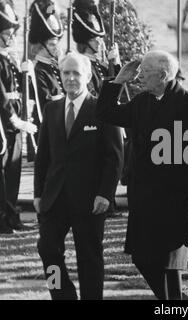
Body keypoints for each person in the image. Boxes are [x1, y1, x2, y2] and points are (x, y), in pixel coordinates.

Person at [96, 50, 188, 300]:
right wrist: (118, 82)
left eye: (145, 72)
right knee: (142, 257)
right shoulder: (143, 101)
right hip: (143, 196)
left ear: (163, 75)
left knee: (170, 264)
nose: (139, 77)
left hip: (175, 197)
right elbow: (105, 114)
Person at [34, 51, 123, 300]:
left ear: (87, 76)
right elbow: (43, 156)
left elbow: (114, 157)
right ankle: (62, 295)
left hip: (90, 200)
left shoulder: (102, 110)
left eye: (76, 73)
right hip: (55, 197)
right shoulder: (52, 109)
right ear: (60, 75)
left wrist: (105, 193)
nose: (71, 78)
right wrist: (38, 193)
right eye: (66, 73)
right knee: (47, 250)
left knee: (89, 256)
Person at [0, 0, 37, 233]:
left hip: (14, 120)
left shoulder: (7, 58)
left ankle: (12, 215)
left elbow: (17, 91)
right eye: (7, 33)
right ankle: (4, 218)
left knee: (13, 171)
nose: (11, 37)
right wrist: (13, 118)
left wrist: (28, 73)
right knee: (4, 173)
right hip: (3, 122)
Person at [29, 0, 65, 138]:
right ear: (41, 45)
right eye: (51, 45)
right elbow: (47, 103)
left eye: (56, 44)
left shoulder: (55, 66)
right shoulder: (38, 70)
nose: (56, 48)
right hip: (49, 128)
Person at [72, 0, 121, 97]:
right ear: (85, 41)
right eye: (94, 39)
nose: (99, 42)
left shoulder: (101, 66)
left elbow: (118, 87)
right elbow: (92, 97)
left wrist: (115, 64)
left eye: (100, 38)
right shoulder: (82, 67)